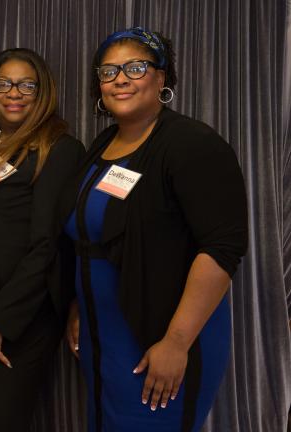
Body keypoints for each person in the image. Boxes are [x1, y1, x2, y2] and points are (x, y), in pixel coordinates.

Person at [59, 27, 248, 431]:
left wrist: (177, 342)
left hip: (159, 340)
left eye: (135, 67)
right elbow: (92, 238)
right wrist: (80, 305)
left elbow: (221, 248)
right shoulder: (103, 144)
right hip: (102, 339)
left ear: (161, 78)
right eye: (108, 71)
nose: (120, 79)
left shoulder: (192, 144)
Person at [0, 48, 85, 431]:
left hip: (19, 318)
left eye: (27, 84)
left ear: (42, 93)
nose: (15, 92)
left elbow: (46, 246)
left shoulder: (58, 150)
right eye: (4, 84)